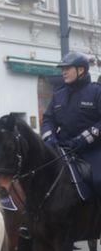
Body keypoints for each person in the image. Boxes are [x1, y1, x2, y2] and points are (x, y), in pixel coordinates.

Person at [41, 51, 101, 196]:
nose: (64, 72)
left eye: (67, 68)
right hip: (63, 149)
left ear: (80, 70)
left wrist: (82, 139)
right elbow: (48, 119)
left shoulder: (96, 92)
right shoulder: (58, 94)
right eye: (62, 69)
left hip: (92, 149)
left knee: (99, 180)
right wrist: (50, 139)